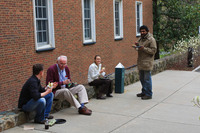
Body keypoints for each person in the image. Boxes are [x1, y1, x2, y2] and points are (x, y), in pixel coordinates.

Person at [133, 25, 157, 100]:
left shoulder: (151, 40)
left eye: (143, 31)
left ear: (147, 31)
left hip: (147, 62)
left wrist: (144, 48)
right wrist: (137, 46)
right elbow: (140, 48)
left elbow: (153, 51)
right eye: (141, 31)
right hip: (141, 62)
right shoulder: (140, 39)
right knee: (142, 79)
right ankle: (144, 91)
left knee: (147, 79)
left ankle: (149, 94)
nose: (142, 32)